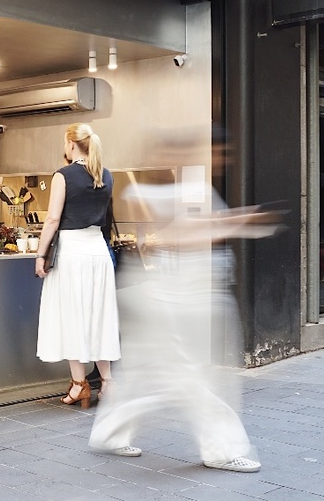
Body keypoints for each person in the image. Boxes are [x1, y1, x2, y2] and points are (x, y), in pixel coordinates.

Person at [87, 126, 282, 471]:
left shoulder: (192, 189)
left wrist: (233, 222)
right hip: (178, 299)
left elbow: (189, 226)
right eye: (217, 152)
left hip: (185, 295)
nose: (222, 159)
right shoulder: (171, 191)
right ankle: (221, 450)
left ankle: (108, 434)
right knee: (192, 377)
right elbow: (183, 233)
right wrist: (240, 222)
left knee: (150, 372)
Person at [35, 124, 122, 440]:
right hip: (97, 251)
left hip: (71, 252)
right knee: (100, 315)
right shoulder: (106, 174)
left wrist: (40, 255)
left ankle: (79, 385)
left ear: (71, 143)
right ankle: (108, 384)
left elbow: (53, 219)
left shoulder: (63, 175)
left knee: (73, 315)